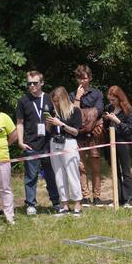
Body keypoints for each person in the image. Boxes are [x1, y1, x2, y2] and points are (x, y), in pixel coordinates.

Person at [15, 70, 61, 215]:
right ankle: (30, 205)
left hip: (48, 143)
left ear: (42, 83)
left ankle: (56, 202)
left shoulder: (48, 98)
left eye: (35, 83)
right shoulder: (23, 101)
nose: (32, 86)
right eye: (29, 83)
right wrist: (21, 142)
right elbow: (20, 123)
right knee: (31, 176)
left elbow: (57, 118)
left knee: (51, 175)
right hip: (31, 144)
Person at [69, 65, 105, 206]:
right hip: (78, 136)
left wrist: (84, 116)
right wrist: (77, 98)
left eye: (84, 78)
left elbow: (99, 111)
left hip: (94, 135)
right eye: (79, 78)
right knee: (81, 167)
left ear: (89, 78)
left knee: (95, 167)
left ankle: (97, 196)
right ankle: (85, 196)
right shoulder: (72, 95)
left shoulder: (97, 94)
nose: (82, 81)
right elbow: (73, 115)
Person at [47, 87, 83, 216]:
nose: (55, 104)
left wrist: (61, 124)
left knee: (72, 173)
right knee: (58, 174)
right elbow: (48, 130)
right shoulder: (52, 111)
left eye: (57, 101)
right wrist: (50, 123)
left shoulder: (75, 111)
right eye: (54, 101)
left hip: (69, 143)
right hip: (54, 143)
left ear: (63, 99)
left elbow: (76, 131)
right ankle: (64, 204)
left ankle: (78, 203)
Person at [104, 86, 132, 207]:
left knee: (126, 171)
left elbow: (129, 130)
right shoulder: (109, 108)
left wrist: (117, 121)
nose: (111, 103)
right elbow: (106, 128)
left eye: (113, 100)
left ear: (120, 98)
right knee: (115, 172)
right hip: (111, 144)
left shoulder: (129, 110)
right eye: (110, 100)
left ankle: (129, 200)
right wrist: (106, 120)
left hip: (124, 143)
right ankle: (118, 199)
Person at [0, 109, 17, 224]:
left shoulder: (4, 117)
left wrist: (6, 145)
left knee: (5, 188)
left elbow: (14, 135)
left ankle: (9, 217)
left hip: (2, 159)